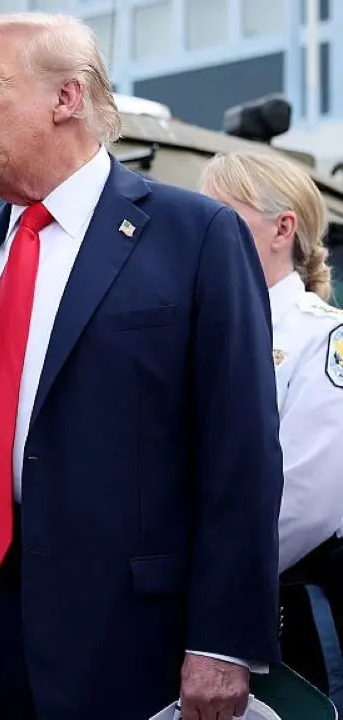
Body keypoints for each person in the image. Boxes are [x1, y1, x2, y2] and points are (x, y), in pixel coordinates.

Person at [0, 12, 283, 720]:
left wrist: (225, 640)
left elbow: (241, 451)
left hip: (119, 633)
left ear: (67, 98)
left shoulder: (192, 235)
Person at [200, 150, 343, 705]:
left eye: (221, 217)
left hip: (288, 618)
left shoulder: (321, 337)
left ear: (283, 228)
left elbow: (305, 501)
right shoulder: (201, 331)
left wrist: (196, 591)